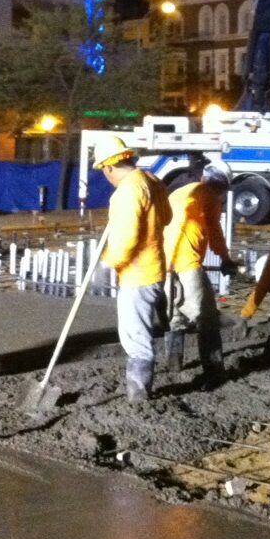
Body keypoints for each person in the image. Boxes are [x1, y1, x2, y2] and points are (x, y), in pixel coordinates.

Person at [94, 134, 172, 403]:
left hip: (137, 274)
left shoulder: (126, 192)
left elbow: (126, 238)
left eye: (104, 171)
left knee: (136, 338)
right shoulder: (152, 181)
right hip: (155, 268)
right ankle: (140, 391)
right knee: (142, 331)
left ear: (108, 167)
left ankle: (139, 397)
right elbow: (167, 218)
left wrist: (108, 263)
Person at [164, 161, 237, 388]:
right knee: (205, 317)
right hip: (187, 261)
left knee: (175, 316)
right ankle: (214, 371)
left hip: (164, 260)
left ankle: (173, 364)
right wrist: (225, 259)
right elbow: (214, 231)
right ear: (222, 185)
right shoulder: (210, 196)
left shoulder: (180, 191)